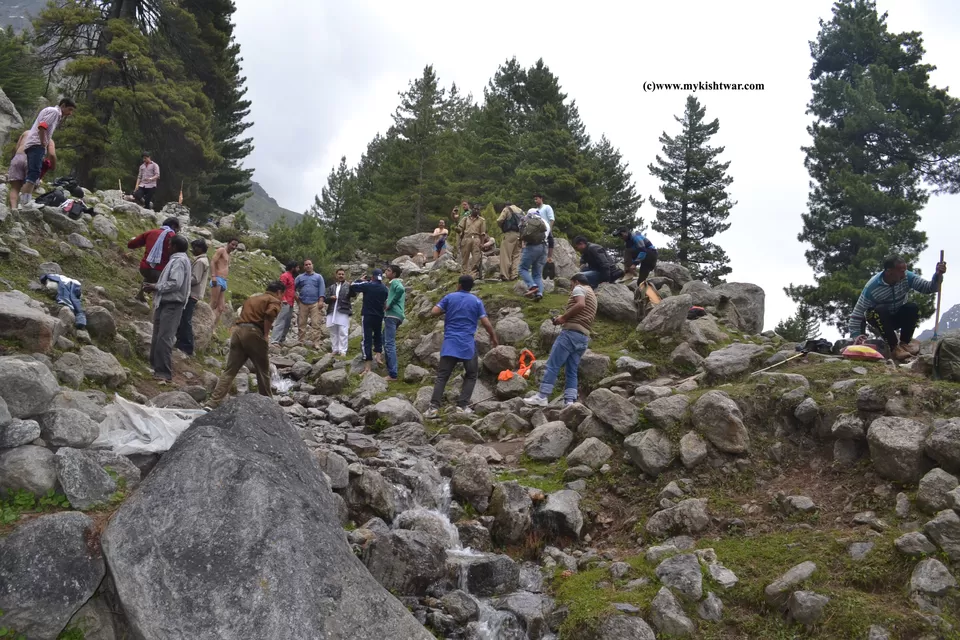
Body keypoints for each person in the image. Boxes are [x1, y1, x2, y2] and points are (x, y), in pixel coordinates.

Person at [423, 275, 499, 418]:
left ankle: (433, 408)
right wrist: (493, 336)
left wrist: (446, 309)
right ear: (471, 287)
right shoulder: (476, 301)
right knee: (471, 374)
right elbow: (486, 322)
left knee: (442, 376)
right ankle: (462, 406)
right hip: (467, 344)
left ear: (459, 285)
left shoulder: (450, 297)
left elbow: (434, 312)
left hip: (450, 343)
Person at [849, 255, 947, 360]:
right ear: (889, 271)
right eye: (901, 271)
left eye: (905, 270)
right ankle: (894, 348)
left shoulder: (908, 277)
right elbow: (857, 313)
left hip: (897, 315)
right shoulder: (872, 288)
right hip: (879, 318)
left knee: (912, 308)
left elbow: (929, 288)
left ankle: (904, 344)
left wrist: (938, 276)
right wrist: (856, 335)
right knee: (881, 309)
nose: (904, 274)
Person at [524, 274, 597, 407]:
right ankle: (570, 401)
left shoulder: (579, 288)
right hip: (583, 337)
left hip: (570, 334)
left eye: (571, 284)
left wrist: (563, 318)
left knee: (553, 364)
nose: (571, 288)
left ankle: (542, 396)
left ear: (576, 281)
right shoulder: (592, 294)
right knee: (572, 370)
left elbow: (580, 304)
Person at [207, 281, 284, 408]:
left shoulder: (253, 298)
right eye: (282, 295)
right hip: (254, 333)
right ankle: (268, 405)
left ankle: (212, 402)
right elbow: (269, 315)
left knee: (230, 371)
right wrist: (266, 335)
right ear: (279, 292)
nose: (282, 298)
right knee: (263, 371)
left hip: (238, 332)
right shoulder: (273, 300)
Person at [144, 235, 191, 383]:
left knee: (165, 338)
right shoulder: (177, 260)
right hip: (165, 303)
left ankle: (164, 372)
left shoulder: (179, 261)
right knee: (158, 335)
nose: (168, 247)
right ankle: (156, 367)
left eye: (170, 245)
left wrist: (156, 287)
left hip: (172, 304)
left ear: (175, 247)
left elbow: (175, 283)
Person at [17, 98, 76, 209]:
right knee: (34, 173)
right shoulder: (54, 112)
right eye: (69, 109)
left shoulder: (51, 111)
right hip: (37, 145)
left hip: (33, 144)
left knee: (32, 172)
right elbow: (42, 126)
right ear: (63, 106)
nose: (70, 113)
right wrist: (43, 142)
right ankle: (25, 202)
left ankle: (25, 199)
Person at [128, 217, 181, 302]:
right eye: (178, 228)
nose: (178, 230)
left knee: (149, 275)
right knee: (163, 285)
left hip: (144, 268)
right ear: (174, 226)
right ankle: (158, 303)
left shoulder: (151, 232)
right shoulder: (174, 237)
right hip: (160, 271)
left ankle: (140, 295)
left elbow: (131, 244)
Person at [175, 238, 210, 356]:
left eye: (194, 248)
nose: (192, 250)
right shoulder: (203, 260)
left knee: (186, 319)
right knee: (184, 318)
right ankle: (180, 341)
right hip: (194, 294)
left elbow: (195, 278)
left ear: (200, 248)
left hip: (192, 293)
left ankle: (187, 346)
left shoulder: (200, 262)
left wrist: (182, 280)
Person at [350, 269, 388, 373]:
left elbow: (353, 285)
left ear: (372, 277)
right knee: (378, 335)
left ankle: (367, 366)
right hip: (379, 315)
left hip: (367, 315)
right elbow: (385, 302)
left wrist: (360, 280)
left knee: (366, 339)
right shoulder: (385, 288)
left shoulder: (368, 285)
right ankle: (378, 356)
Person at [518, 208, 550, 302]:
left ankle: (532, 286)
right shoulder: (545, 223)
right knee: (537, 274)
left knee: (522, 268)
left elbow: (522, 233)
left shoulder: (528, 220)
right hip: (544, 248)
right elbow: (550, 238)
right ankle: (539, 294)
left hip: (532, 247)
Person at [294, 259, 325, 346]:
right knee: (301, 323)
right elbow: (292, 288)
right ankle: (301, 341)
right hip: (303, 302)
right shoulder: (299, 277)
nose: (308, 266)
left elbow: (322, 289)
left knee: (315, 323)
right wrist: (297, 299)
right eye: (306, 265)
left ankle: (316, 342)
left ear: (312, 265)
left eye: (309, 264)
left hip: (315, 303)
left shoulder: (318, 277)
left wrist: (321, 301)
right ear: (304, 267)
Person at [383, 264, 406, 382]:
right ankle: (390, 369)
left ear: (394, 274)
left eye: (388, 270)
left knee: (389, 343)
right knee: (384, 339)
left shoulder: (395, 282)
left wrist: (389, 304)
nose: (386, 272)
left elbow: (401, 290)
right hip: (397, 315)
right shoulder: (394, 283)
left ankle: (393, 374)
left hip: (392, 315)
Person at [209, 238, 239, 326]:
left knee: (221, 307)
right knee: (213, 303)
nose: (234, 247)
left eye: (236, 245)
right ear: (228, 243)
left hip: (224, 281)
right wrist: (213, 276)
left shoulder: (229, 255)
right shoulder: (221, 250)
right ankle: (204, 321)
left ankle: (212, 327)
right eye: (232, 244)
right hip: (217, 278)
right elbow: (213, 262)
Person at [325, 268, 354, 356]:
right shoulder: (332, 287)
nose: (341, 276)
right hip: (332, 310)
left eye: (342, 274)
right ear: (336, 275)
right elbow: (326, 299)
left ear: (344, 275)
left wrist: (352, 287)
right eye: (339, 274)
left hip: (343, 310)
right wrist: (331, 298)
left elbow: (353, 294)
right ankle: (335, 349)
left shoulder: (348, 285)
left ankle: (343, 351)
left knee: (343, 331)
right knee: (333, 331)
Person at [270, 261, 300, 345]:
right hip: (284, 302)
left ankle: (281, 340)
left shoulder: (292, 277)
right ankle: (274, 340)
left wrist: (297, 301)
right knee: (280, 321)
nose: (298, 269)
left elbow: (292, 291)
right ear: (293, 268)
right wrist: (283, 299)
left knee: (287, 322)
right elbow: (280, 288)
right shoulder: (284, 276)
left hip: (290, 303)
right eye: (297, 267)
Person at [496, 202, 523, 281]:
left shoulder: (507, 209)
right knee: (516, 255)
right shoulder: (521, 211)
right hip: (519, 235)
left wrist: (502, 227)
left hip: (509, 234)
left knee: (505, 255)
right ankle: (514, 275)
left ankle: (505, 275)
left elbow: (499, 220)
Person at [458, 204, 487, 275]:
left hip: (476, 239)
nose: (476, 210)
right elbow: (460, 228)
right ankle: (464, 273)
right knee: (465, 257)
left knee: (476, 257)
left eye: (478, 209)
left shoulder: (481, 220)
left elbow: (483, 233)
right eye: (475, 209)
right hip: (466, 238)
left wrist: (482, 243)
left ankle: (473, 274)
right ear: (472, 209)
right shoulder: (465, 219)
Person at [534, 193, 556, 264]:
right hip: (538, 230)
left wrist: (550, 229)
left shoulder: (547, 207)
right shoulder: (535, 210)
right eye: (534, 199)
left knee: (550, 240)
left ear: (541, 199)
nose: (535, 201)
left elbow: (552, 219)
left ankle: (549, 257)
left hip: (546, 228)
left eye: (536, 199)